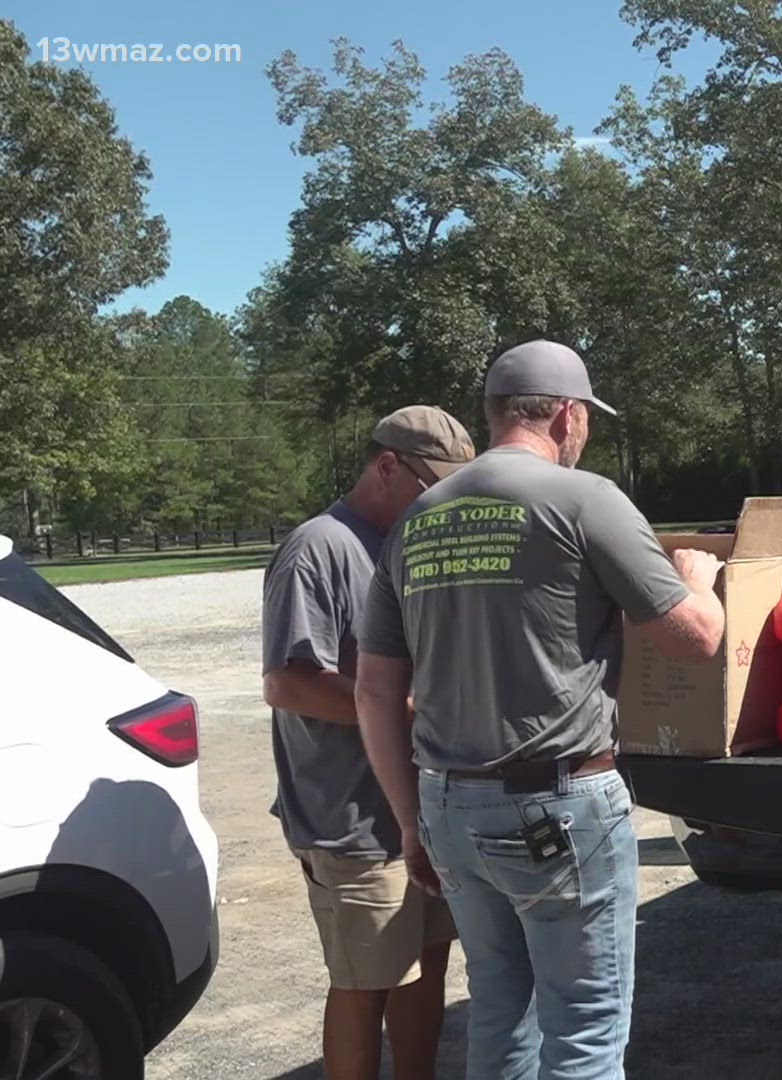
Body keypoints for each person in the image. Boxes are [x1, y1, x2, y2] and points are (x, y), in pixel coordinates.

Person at [354, 339, 726, 1080]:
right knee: (585, 1030)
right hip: (556, 809)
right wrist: (700, 580)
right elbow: (696, 641)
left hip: (448, 804)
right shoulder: (584, 498)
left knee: (500, 1011)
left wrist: (408, 820)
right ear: (566, 414)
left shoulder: (419, 519)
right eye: (585, 417)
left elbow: (373, 689)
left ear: (493, 414)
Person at [261, 405, 475, 1080]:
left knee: (425, 965)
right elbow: (287, 683)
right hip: (351, 816)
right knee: (365, 980)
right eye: (430, 482)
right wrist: (403, 711)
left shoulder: (409, 543)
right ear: (387, 466)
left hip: (424, 808)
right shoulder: (318, 548)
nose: (440, 498)